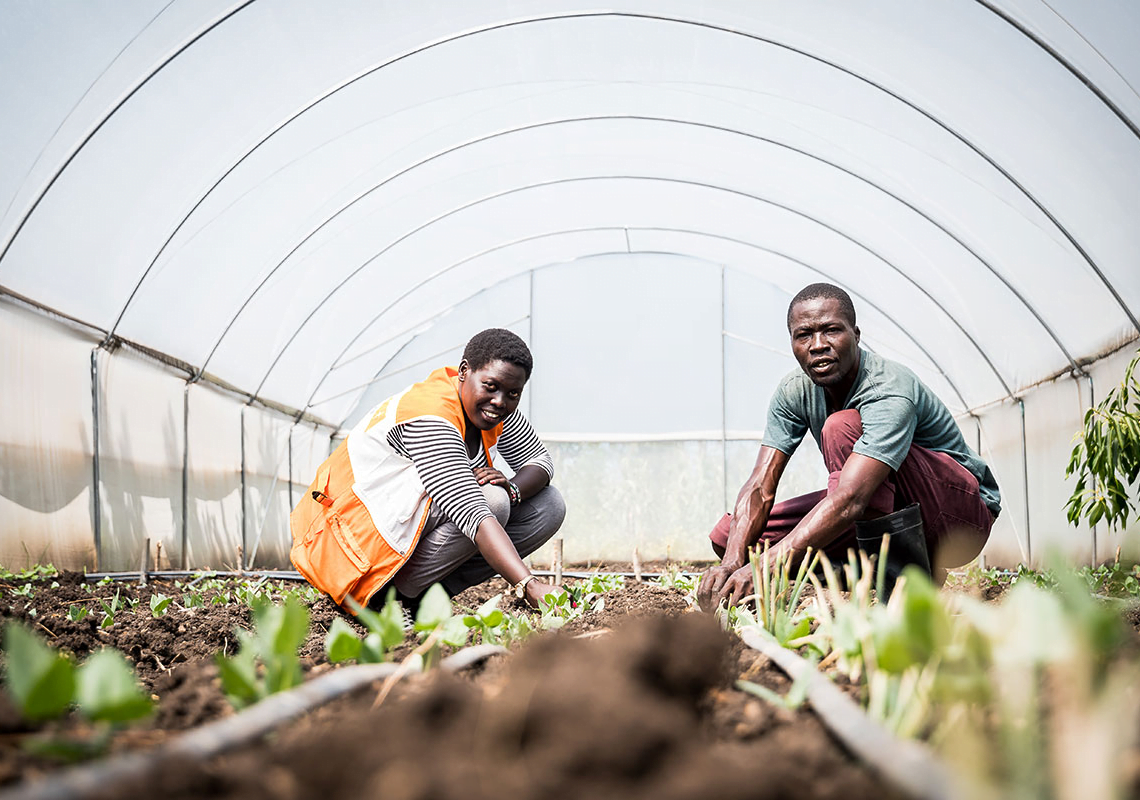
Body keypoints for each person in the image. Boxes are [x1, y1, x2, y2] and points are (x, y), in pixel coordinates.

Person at [698, 283, 1001, 611]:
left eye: (831, 331)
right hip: (875, 509)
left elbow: (851, 499)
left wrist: (764, 567)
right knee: (732, 536)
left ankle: (902, 593)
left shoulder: (887, 387)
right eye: (804, 335)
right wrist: (732, 562)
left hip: (958, 519)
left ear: (855, 334)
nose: (818, 345)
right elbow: (761, 485)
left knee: (842, 427)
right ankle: (873, 571)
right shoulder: (793, 391)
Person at [290, 328, 566, 613]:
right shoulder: (430, 416)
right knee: (492, 503)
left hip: (397, 533)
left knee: (549, 505)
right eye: (490, 386)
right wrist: (530, 585)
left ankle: (417, 599)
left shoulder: (491, 408)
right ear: (463, 371)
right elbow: (469, 510)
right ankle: (384, 602)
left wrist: (515, 487)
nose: (500, 401)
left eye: (513, 393)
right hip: (348, 550)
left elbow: (540, 461)